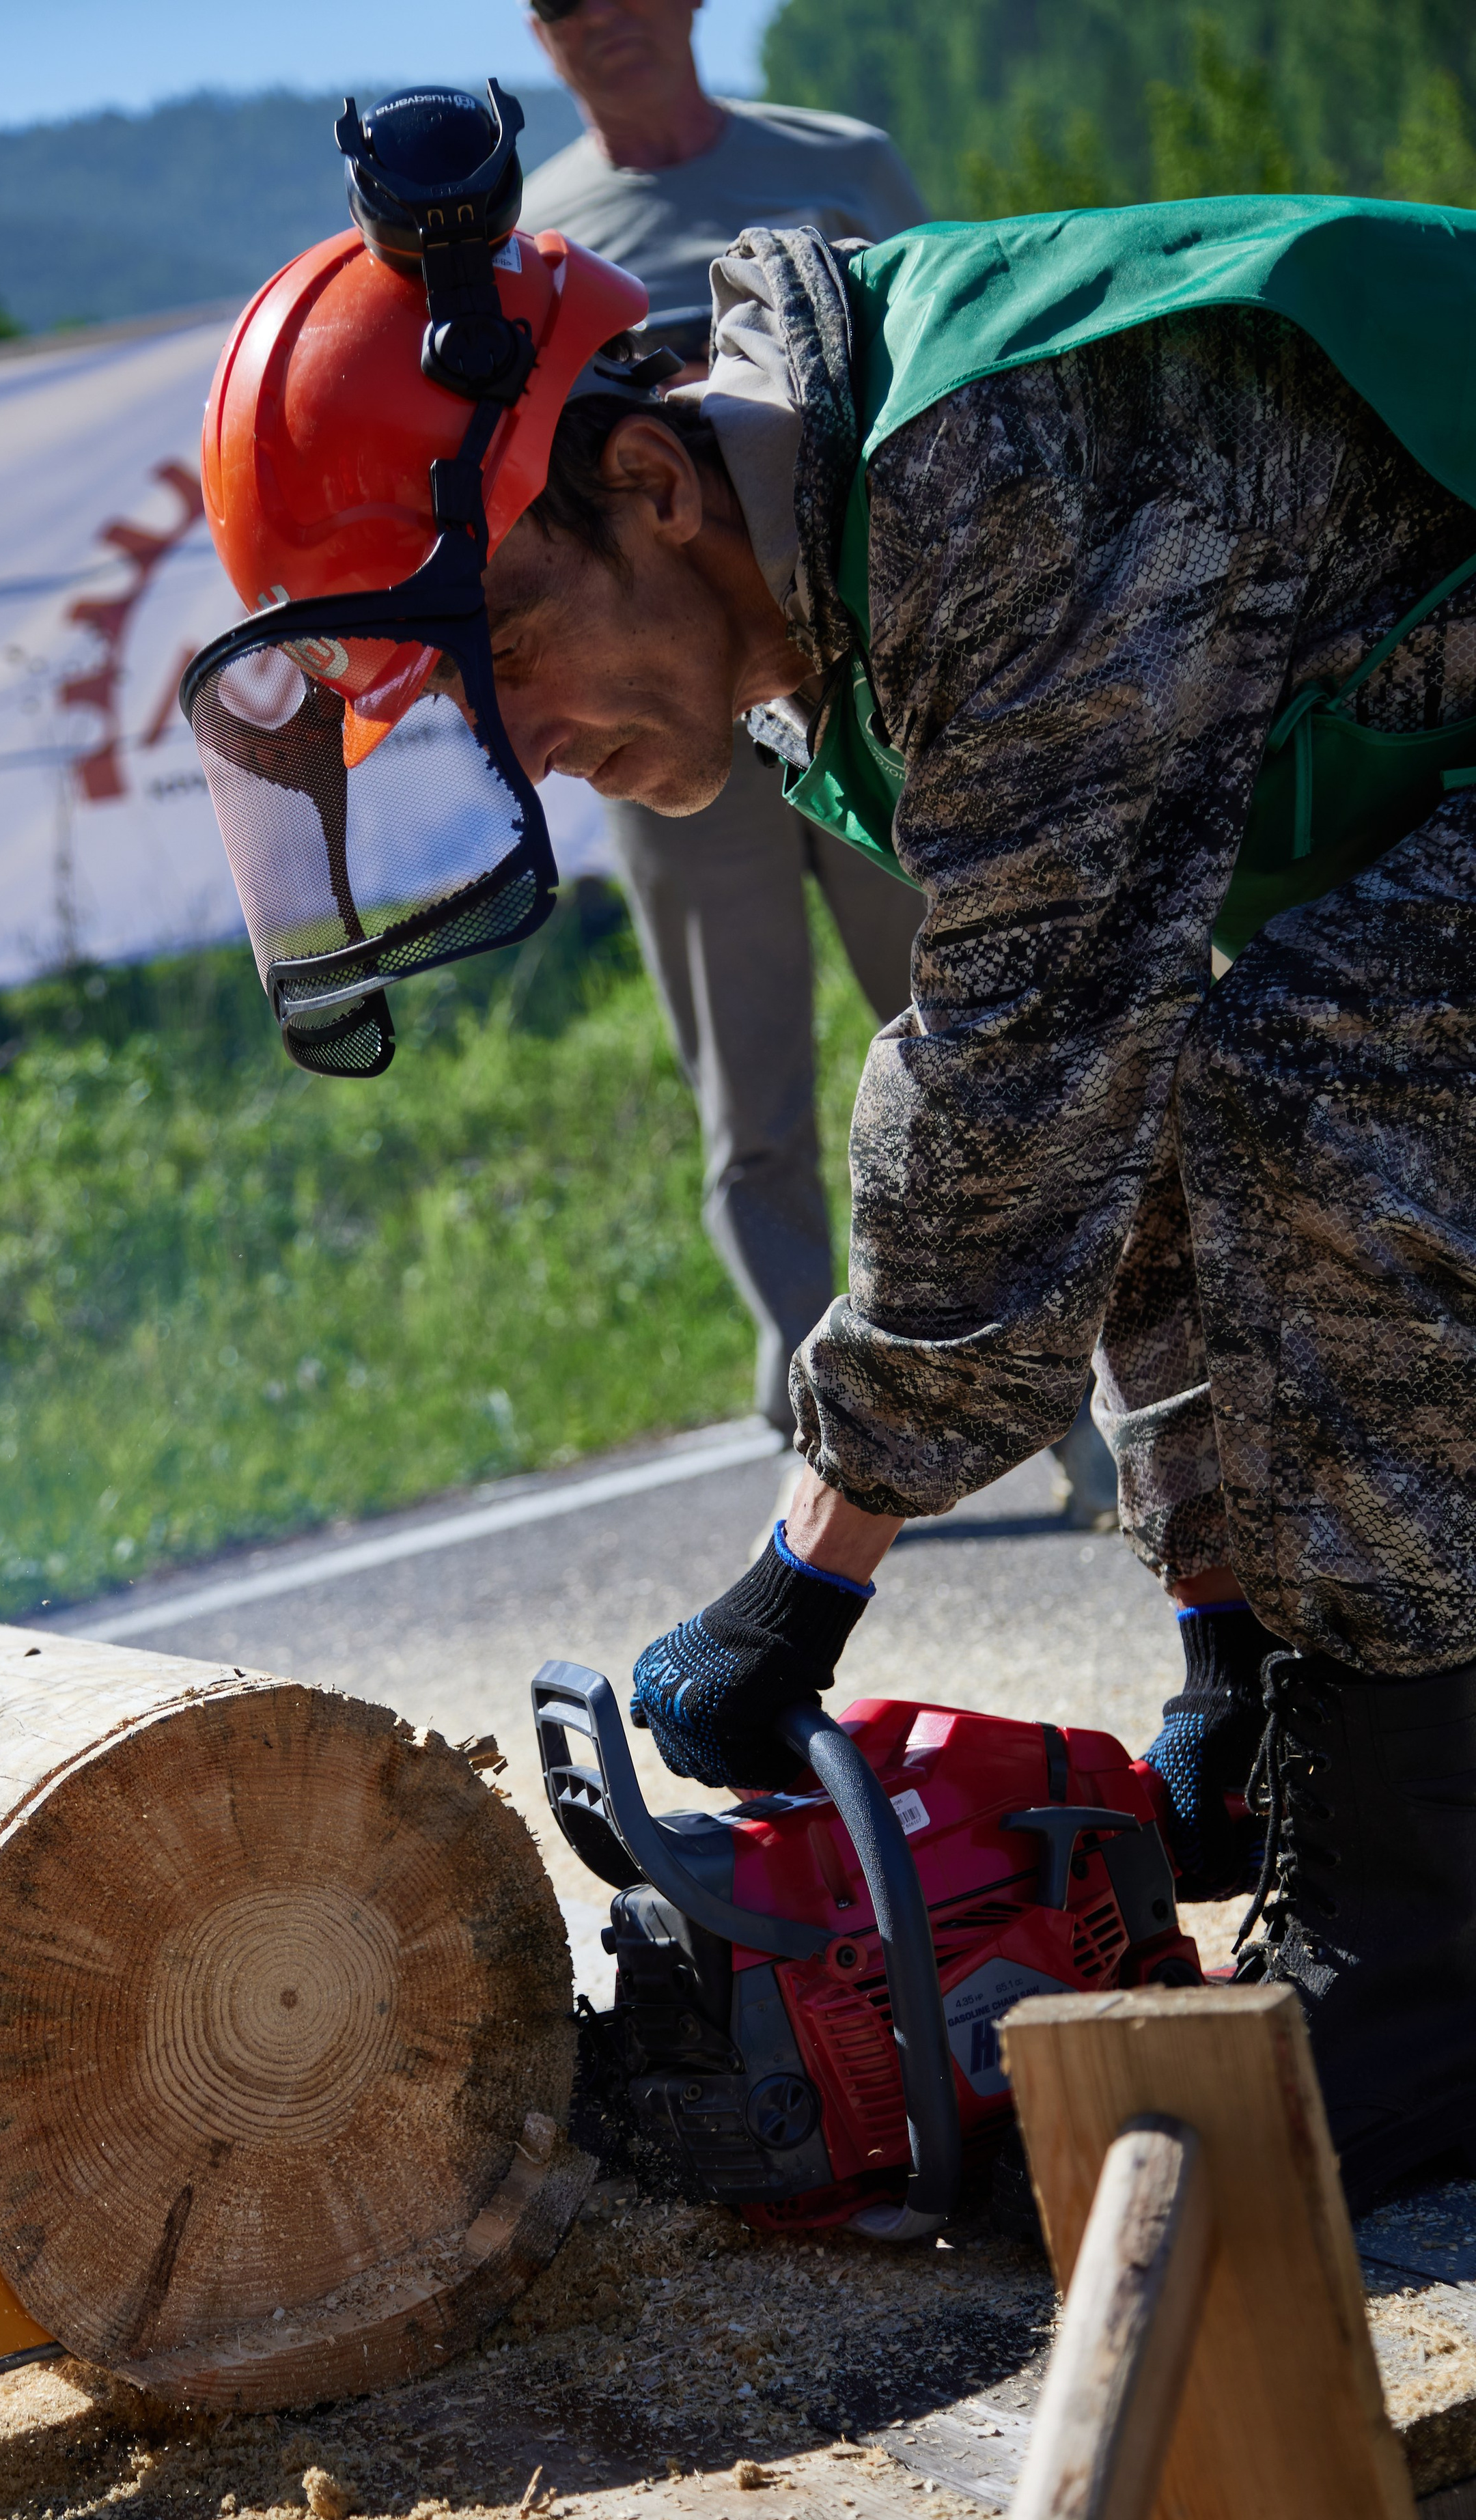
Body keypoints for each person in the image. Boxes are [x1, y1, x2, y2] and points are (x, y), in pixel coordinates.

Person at [188, 95, 1476, 2210]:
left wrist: (807, 1573)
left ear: (641, 478)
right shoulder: (818, 587)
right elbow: (1094, 1073)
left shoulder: (986, 487)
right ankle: (1290, 1719)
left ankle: (1429, 1981)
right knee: (1213, 1060)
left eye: (509, 658)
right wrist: (1231, 1609)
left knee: (1323, 1081)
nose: (537, 748)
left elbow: (1016, 1098)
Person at [518, 0, 928, 1444]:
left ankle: (1061, 1402)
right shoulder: (524, 234)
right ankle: (830, 1417)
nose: (601, 19)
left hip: (867, 677)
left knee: (957, 1023)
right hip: (661, 714)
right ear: (534, 32)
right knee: (747, 1092)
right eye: (561, 2)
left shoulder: (845, 162)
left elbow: (929, 380)